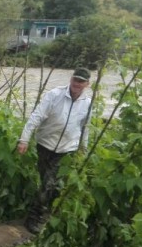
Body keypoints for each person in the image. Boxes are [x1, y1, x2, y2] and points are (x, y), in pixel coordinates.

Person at [17, 67, 92, 234]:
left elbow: (85, 128)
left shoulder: (87, 104)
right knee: (46, 182)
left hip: (67, 149)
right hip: (45, 145)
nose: (77, 84)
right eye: (75, 79)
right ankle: (38, 215)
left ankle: (36, 216)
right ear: (71, 79)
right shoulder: (54, 95)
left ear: (87, 84)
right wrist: (24, 139)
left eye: (81, 81)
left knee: (51, 184)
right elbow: (36, 116)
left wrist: (83, 148)